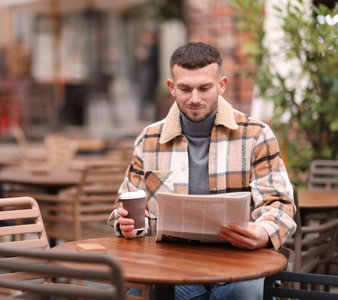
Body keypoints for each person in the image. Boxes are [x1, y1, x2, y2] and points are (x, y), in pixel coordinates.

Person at [108, 42, 296, 300]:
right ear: (172, 88)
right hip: (171, 268)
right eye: (185, 88)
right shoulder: (149, 139)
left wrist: (263, 232)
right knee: (140, 292)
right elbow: (124, 204)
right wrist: (126, 224)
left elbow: (281, 204)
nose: (194, 98)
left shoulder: (256, 135)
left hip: (239, 265)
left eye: (204, 88)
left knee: (245, 291)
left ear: (222, 85)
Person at [136, 29, 160, 122]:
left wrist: (143, 55)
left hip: (150, 76)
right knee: (145, 97)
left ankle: (148, 116)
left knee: (148, 96)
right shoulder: (148, 47)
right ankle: (143, 116)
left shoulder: (153, 48)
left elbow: (149, 60)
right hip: (146, 75)